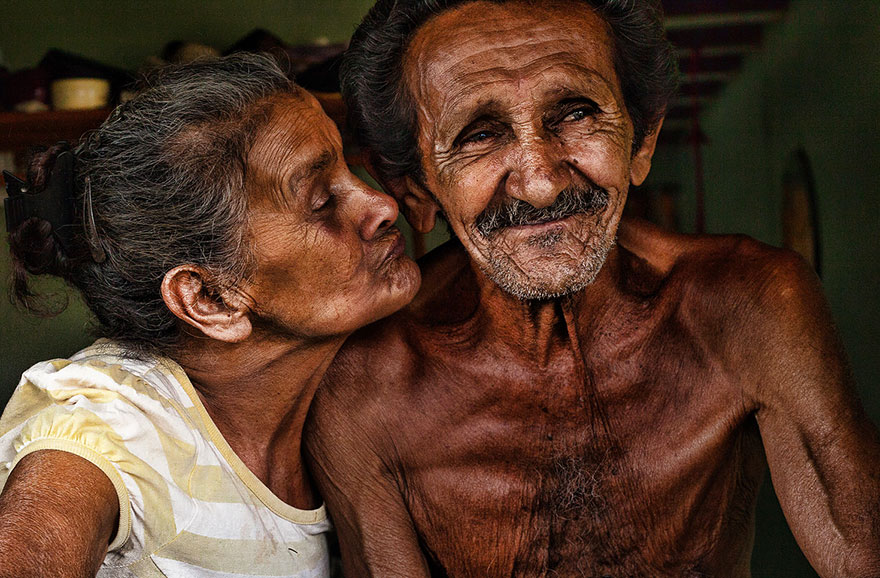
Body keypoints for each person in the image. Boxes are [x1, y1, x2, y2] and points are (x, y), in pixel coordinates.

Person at [303, 1, 880, 577]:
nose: (541, 184)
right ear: (415, 189)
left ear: (642, 140)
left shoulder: (750, 308)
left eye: (575, 113)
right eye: (479, 133)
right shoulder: (363, 381)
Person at [0, 53, 420, 578]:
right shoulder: (113, 425)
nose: (381, 203)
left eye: (348, 167)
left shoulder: (344, 387)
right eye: (320, 200)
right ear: (210, 300)